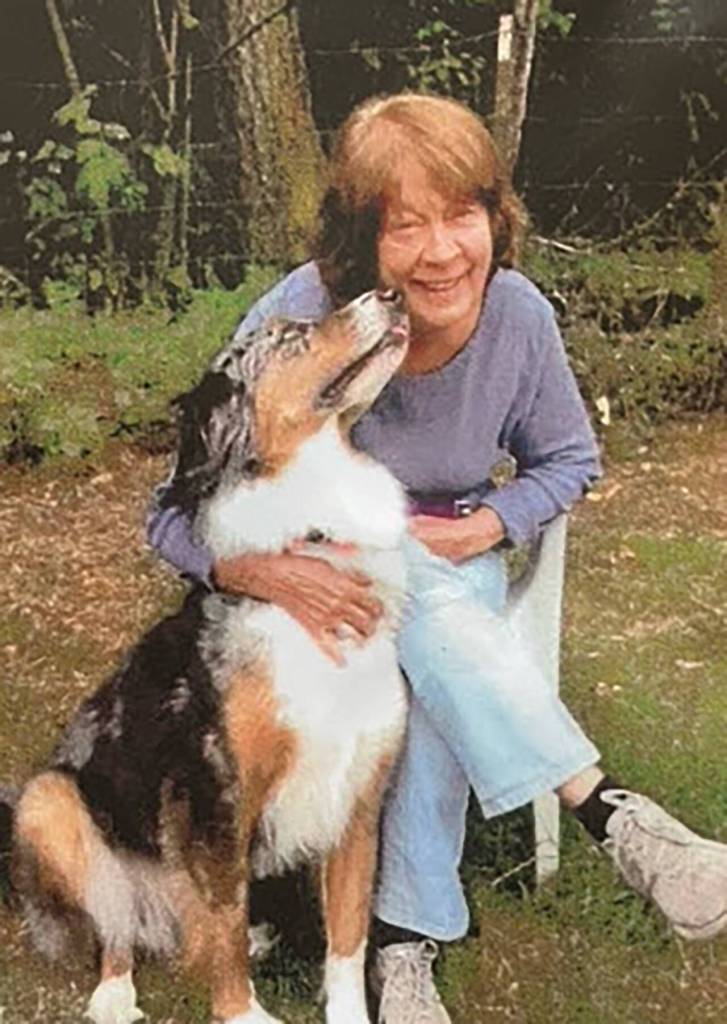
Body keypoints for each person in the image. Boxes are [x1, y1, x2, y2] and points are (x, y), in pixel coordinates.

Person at [147, 93, 727, 1023]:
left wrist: (488, 524)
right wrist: (252, 570)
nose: (441, 250)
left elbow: (567, 459)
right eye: (404, 225)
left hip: (450, 558)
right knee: (390, 580)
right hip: (314, 584)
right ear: (363, 241)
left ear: (495, 218)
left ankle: (402, 946)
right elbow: (174, 508)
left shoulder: (518, 318)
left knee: (416, 604)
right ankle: (602, 812)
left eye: (461, 215)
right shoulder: (305, 317)